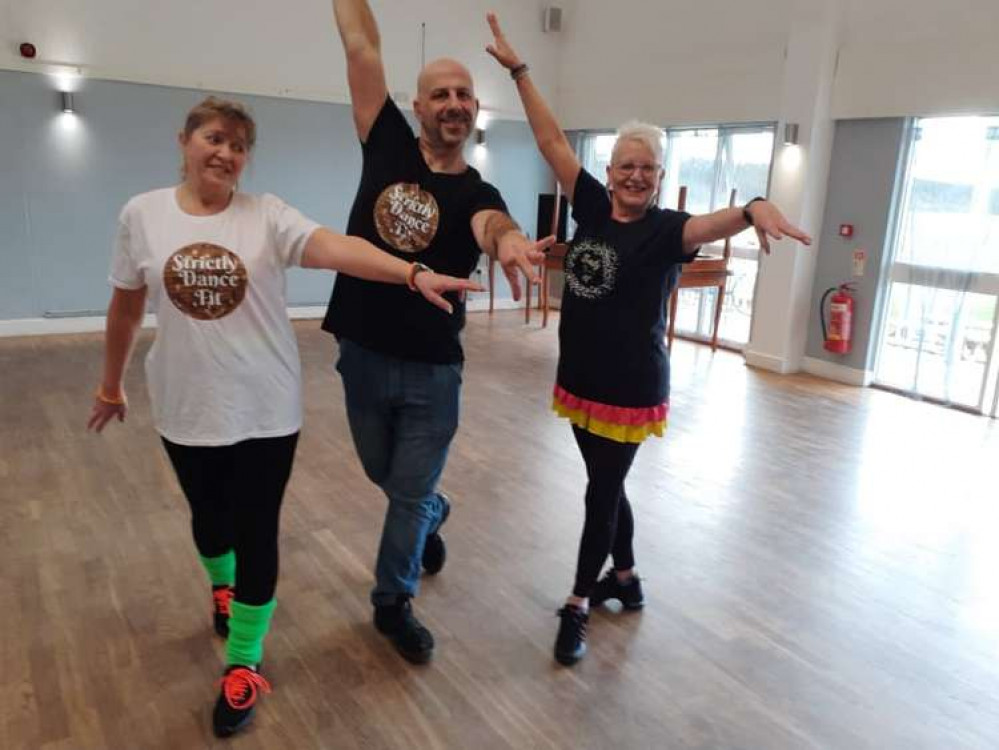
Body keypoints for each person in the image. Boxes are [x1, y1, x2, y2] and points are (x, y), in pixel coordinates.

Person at [86, 96, 480, 737]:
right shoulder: (143, 215)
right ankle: (223, 586)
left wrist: (411, 273)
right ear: (184, 140)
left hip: (266, 409)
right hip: (183, 404)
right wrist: (110, 386)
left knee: (256, 527)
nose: (226, 153)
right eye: (214, 138)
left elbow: (334, 247)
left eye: (239, 146)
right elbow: (126, 306)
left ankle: (243, 661)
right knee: (209, 523)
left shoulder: (266, 216)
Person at [485, 14, 813, 666]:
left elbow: (720, 221)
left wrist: (753, 209)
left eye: (648, 168)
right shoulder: (590, 207)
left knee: (600, 492)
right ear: (610, 171)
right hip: (577, 379)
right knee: (606, 483)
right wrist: (521, 72)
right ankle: (627, 579)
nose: (636, 175)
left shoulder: (668, 230)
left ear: (659, 176)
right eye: (626, 165)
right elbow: (550, 141)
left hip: (630, 387)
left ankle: (579, 601)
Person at [323, 0, 554, 665]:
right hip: (361, 349)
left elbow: (494, 226)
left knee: (404, 490)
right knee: (383, 473)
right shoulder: (386, 142)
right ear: (417, 107)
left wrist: (509, 244)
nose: (453, 103)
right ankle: (433, 511)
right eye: (440, 94)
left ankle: (391, 601)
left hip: (431, 370)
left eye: (463, 95)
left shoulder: (477, 191)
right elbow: (361, 46)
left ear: (473, 112)